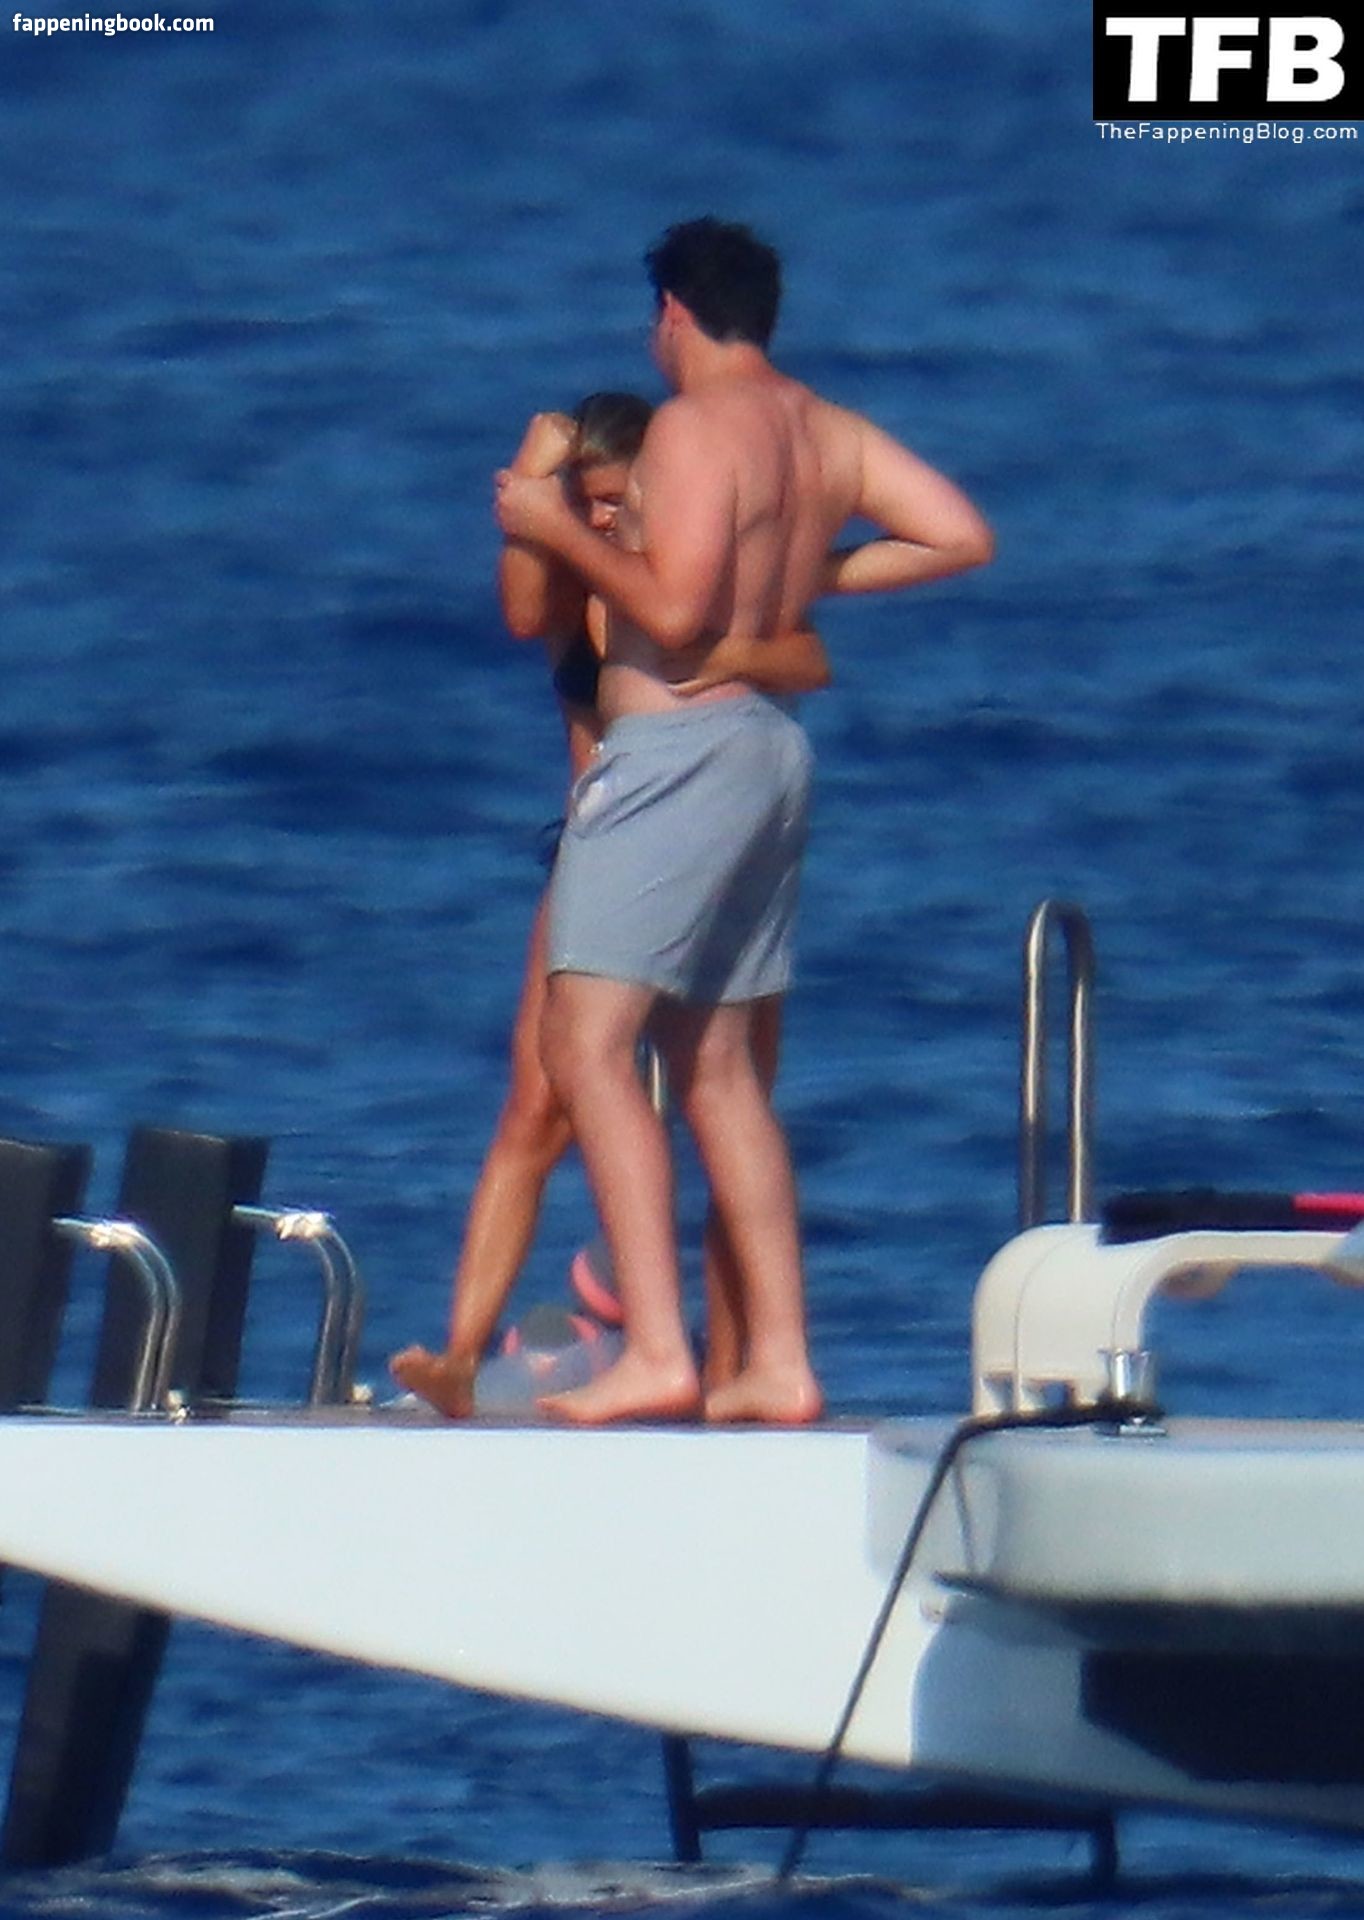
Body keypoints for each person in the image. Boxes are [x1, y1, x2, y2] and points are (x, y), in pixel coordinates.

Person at [494, 217, 994, 1428]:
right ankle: (777, 1359)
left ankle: (657, 1350)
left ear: (672, 312)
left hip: (671, 751)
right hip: (769, 751)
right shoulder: (826, 431)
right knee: (717, 1072)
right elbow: (956, 534)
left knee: (585, 1049)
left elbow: (669, 613)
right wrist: (811, 573)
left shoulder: (689, 427)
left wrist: (554, 530)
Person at [391, 391, 832, 1418]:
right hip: (600, 845)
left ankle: (736, 1363)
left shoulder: (691, 580)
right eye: (582, 499)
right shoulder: (577, 575)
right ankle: (462, 1352)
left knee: (723, 1092)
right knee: (539, 1097)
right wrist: (532, 474)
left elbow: (806, 656)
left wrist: (721, 659)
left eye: (612, 497)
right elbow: (519, 609)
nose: (598, 516)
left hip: (699, 832)